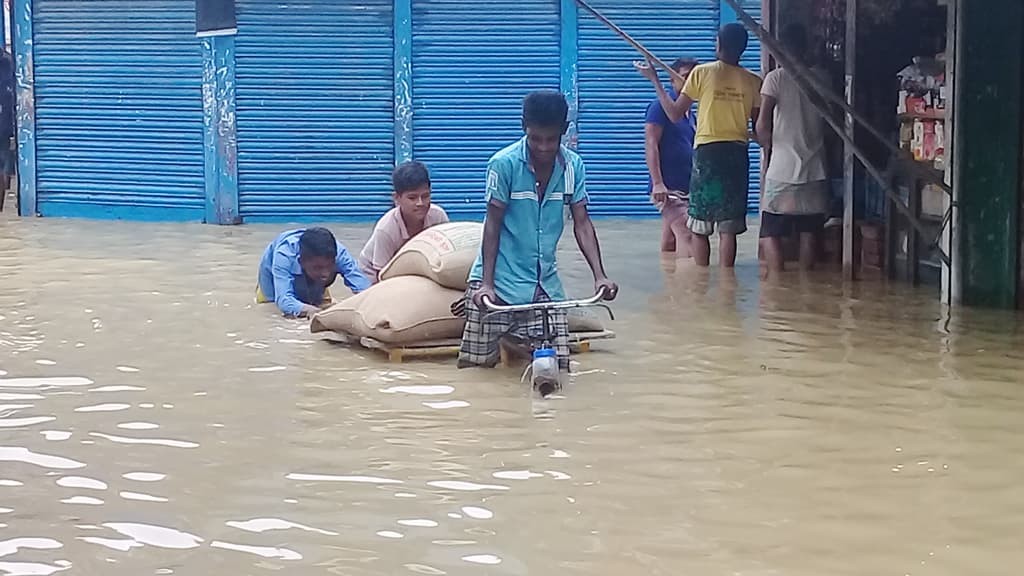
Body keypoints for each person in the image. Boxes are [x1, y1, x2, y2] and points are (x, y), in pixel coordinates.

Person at [457, 90, 618, 372]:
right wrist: (486, 284)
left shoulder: (573, 167)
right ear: (524, 129)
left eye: (551, 140)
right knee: (476, 371)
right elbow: (492, 224)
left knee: (559, 369)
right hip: (500, 282)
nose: (543, 148)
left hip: (544, 286)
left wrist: (600, 276)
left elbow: (582, 222)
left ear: (564, 132)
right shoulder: (503, 165)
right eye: (536, 139)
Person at [635, 23, 762, 268]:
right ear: (744, 49)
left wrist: (655, 81)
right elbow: (759, 129)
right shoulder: (753, 81)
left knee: (700, 225)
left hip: (708, 153)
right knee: (729, 227)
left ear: (718, 44)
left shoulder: (702, 73)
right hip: (737, 153)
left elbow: (673, 113)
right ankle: (728, 284)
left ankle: (699, 284)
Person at [756, 24, 830, 276]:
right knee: (809, 231)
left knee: (770, 232)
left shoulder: (775, 78)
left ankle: (778, 284)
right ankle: (805, 284)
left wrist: (763, 143)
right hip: (815, 168)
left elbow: (763, 123)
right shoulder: (822, 78)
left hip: (782, 170)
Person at [358, 160, 449, 282]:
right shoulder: (386, 230)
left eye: (425, 196)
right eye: (412, 198)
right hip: (374, 273)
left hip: (413, 270)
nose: (420, 203)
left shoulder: (438, 217)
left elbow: (446, 257)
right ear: (397, 198)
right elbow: (382, 275)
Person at [645, 57, 698, 256]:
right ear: (672, 80)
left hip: (685, 187)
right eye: (684, 77)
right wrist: (658, 183)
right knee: (688, 235)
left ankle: (670, 282)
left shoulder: (689, 114)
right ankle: (691, 286)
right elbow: (651, 143)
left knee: (670, 242)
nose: (689, 83)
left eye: (694, 78)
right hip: (668, 188)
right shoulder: (660, 107)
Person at [257, 227, 370, 318]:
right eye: (318, 268)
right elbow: (284, 301)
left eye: (330, 266)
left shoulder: (340, 255)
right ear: (301, 261)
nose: (326, 274)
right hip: (273, 281)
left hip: (314, 281)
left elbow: (366, 290)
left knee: (321, 304)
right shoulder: (284, 256)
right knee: (273, 314)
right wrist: (316, 313)